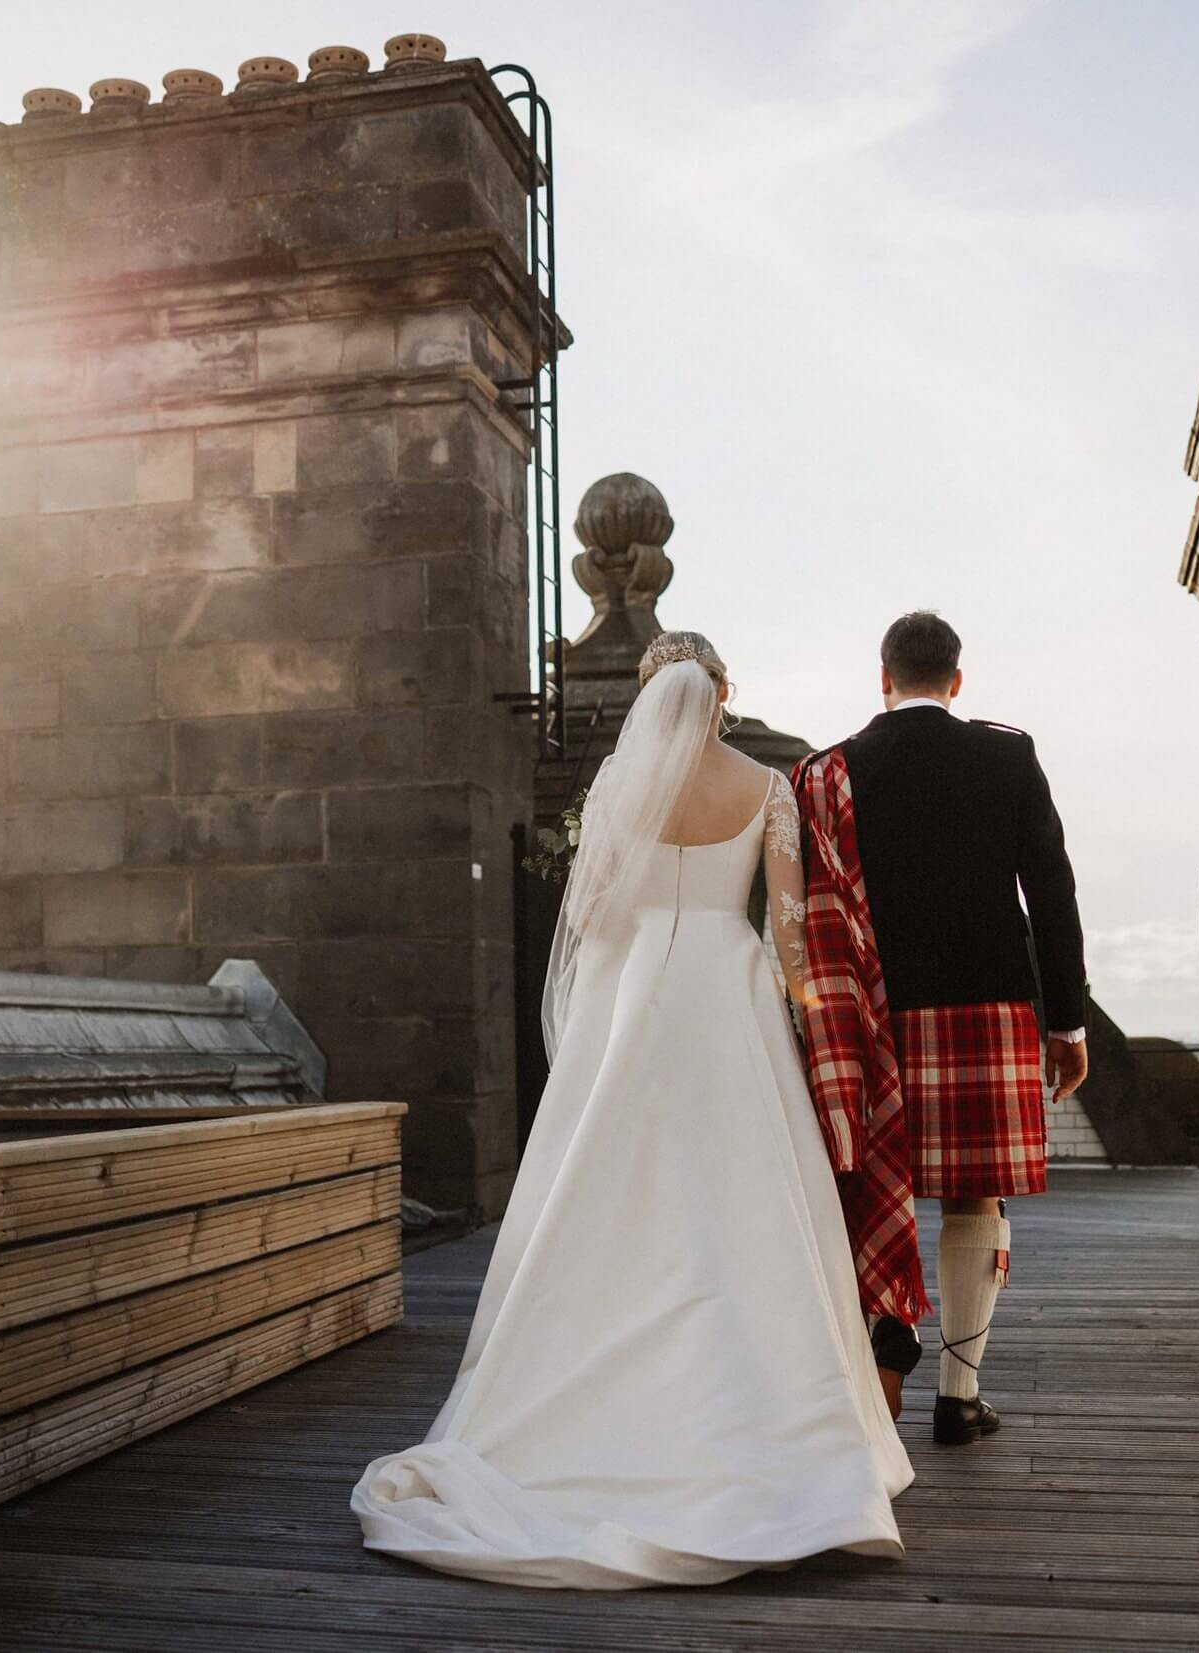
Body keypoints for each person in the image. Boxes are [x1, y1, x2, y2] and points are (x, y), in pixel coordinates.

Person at [352, 630, 911, 1588]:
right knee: (746, 1201)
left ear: (653, 694)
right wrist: (812, 1015)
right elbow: (784, 929)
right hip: (728, 1002)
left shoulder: (617, 789)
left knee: (610, 1194)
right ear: (723, 692)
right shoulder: (768, 789)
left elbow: (592, 913)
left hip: (634, 996)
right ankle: (780, 1426)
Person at [792, 609, 1088, 1443]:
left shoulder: (833, 768)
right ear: (957, 681)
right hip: (985, 1009)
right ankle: (959, 1395)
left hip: (874, 1016)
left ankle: (881, 1350)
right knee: (974, 1192)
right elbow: (1052, 893)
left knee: (869, 1193)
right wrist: (1065, 1022)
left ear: (881, 679)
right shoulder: (1006, 753)